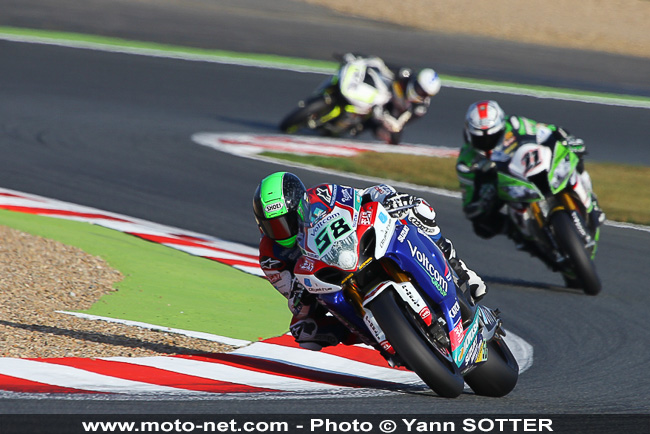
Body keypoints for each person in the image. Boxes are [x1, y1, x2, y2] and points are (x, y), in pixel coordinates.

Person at [253, 171, 486, 352]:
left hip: (356, 248)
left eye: (287, 220)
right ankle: (378, 335)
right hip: (326, 283)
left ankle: (460, 269)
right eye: (274, 226)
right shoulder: (270, 257)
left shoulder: (321, 195)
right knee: (304, 334)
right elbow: (293, 301)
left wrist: (388, 198)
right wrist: (299, 295)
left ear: (300, 206)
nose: (283, 230)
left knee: (419, 211)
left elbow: (362, 195)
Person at [456, 99, 605, 242]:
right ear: (469, 134)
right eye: (480, 138)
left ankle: (591, 201)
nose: (486, 142)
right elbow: (469, 204)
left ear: (501, 126)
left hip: (525, 168)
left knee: (573, 155)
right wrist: (483, 197)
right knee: (482, 227)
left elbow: (546, 131)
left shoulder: (515, 124)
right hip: (499, 188)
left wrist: (566, 139)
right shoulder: (466, 160)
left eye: (492, 136)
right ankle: (520, 237)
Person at [338, 53, 442, 144]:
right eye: (419, 89)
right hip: (386, 93)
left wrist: (385, 118)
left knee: (394, 138)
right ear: (415, 80)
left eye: (424, 93)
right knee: (373, 77)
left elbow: (400, 124)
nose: (420, 93)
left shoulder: (420, 108)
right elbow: (381, 65)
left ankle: (363, 126)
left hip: (392, 113)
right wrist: (360, 59)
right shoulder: (405, 74)